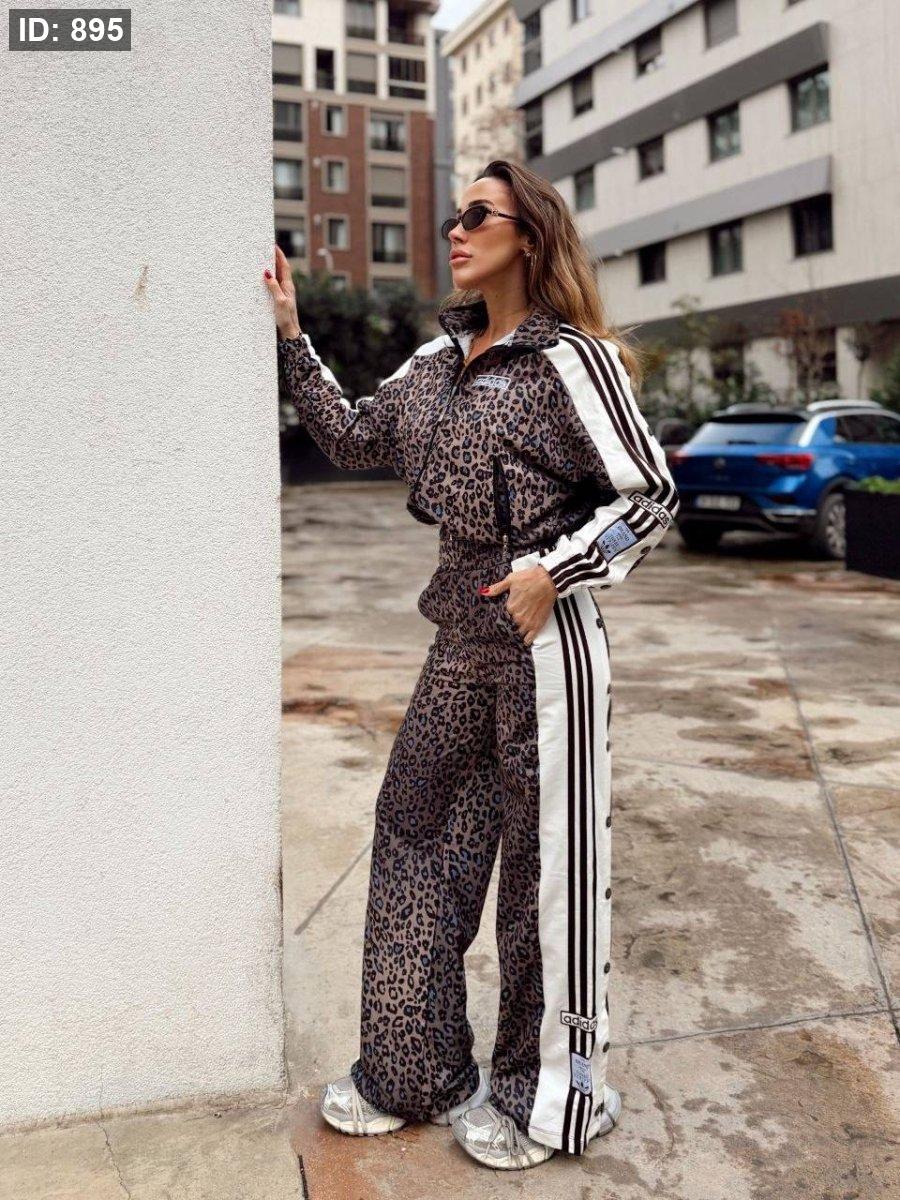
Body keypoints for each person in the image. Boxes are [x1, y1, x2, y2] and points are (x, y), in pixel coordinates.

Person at [265, 158, 680, 1171]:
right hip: (458, 639)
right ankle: (413, 1071)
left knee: (545, 871)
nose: (456, 230)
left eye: (478, 215)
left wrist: (556, 571)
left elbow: (651, 494)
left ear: (528, 236)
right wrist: (292, 338)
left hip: (545, 646)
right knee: (413, 833)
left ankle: (550, 1098)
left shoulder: (572, 361)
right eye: (455, 216)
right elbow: (355, 437)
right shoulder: (438, 359)